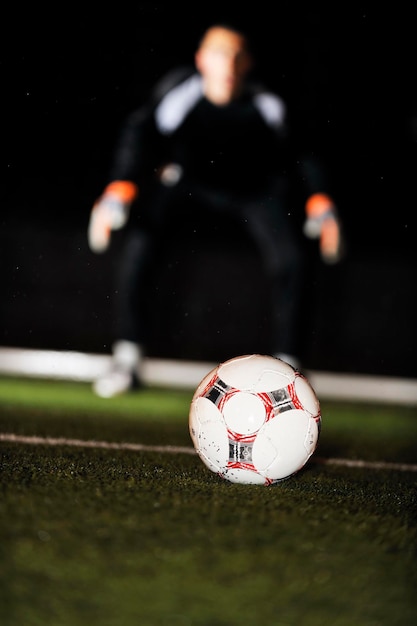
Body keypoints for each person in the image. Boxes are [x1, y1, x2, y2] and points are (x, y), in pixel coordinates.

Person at [88, 23, 343, 398]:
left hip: (254, 189)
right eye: (220, 53)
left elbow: (302, 150)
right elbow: (141, 133)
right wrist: (120, 186)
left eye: (238, 55)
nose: (229, 64)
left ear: (249, 64)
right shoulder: (180, 92)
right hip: (188, 183)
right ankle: (127, 357)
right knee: (142, 239)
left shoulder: (267, 100)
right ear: (201, 60)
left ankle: (291, 371)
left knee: (292, 258)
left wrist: (320, 199)